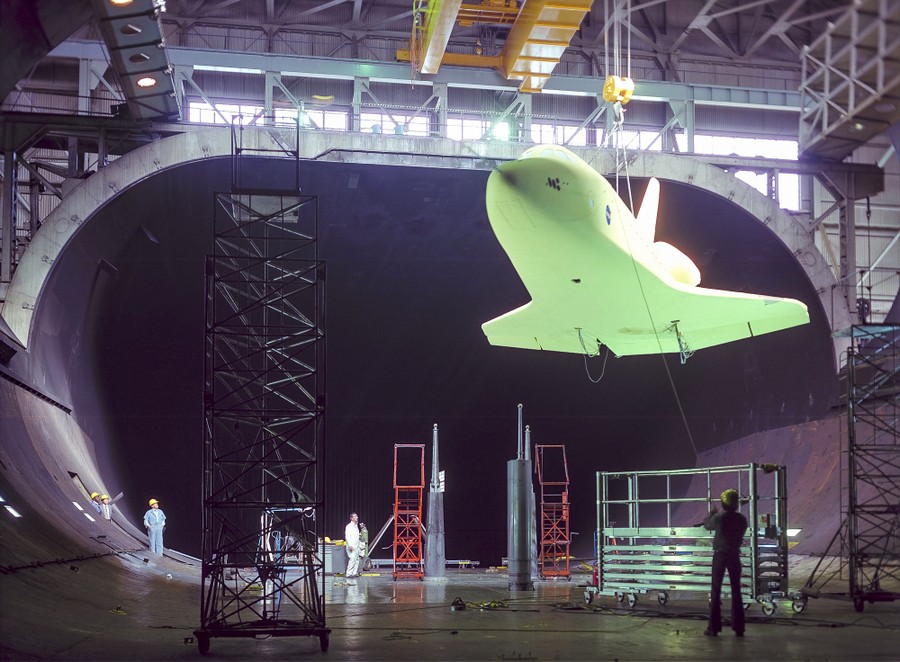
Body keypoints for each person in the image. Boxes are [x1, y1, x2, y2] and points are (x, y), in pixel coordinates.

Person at [703, 488, 749, 637]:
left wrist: (711, 514)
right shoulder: (742, 519)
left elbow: (708, 525)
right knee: (736, 591)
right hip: (734, 556)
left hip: (720, 556)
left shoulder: (720, 518)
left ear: (723, 503)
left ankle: (714, 628)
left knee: (716, 591)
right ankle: (739, 627)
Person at [345, 512, 360, 578]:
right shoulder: (349, 526)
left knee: (356, 559)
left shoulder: (356, 526)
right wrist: (350, 545)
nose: (357, 517)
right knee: (352, 559)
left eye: (356, 516)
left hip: (357, 545)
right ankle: (348, 573)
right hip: (352, 545)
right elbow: (347, 536)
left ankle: (354, 573)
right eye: (355, 516)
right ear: (351, 518)